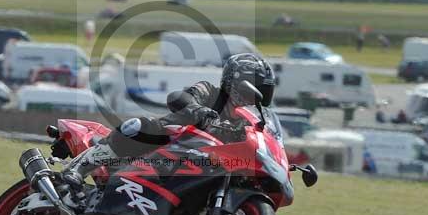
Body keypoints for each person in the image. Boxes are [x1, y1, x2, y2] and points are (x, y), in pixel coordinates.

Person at [55, 53, 276, 194]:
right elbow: (180, 97)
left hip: (196, 165)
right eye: (254, 88)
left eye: (261, 91)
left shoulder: (249, 121)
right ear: (235, 81)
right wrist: (197, 110)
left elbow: (259, 142)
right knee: (139, 126)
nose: (254, 96)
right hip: (165, 143)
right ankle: (77, 169)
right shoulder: (210, 91)